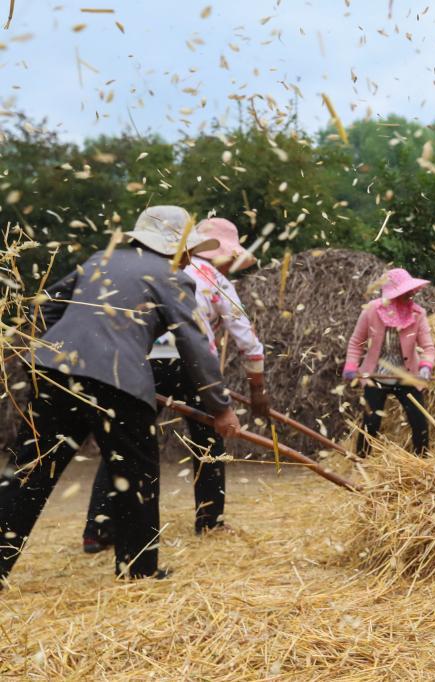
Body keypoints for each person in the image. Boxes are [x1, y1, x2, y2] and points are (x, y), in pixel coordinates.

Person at [0, 206, 241, 585]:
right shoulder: (172, 277)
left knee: (29, 472)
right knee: (135, 474)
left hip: (53, 371)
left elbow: (46, 305)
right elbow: (194, 345)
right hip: (119, 384)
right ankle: (138, 571)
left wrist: (54, 346)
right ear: (175, 247)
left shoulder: (101, 259)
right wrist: (220, 408)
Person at [82, 217, 268, 551]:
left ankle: (98, 529)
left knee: (124, 442)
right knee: (208, 441)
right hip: (190, 365)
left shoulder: (148, 269)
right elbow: (247, 338)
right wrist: (257, 388)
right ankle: (209, 521)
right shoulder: (215, 279)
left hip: (138, 362)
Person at [342, 268, 435, 456]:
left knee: (419, 421)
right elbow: (356, 342)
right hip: (375, 375)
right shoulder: (371, 311)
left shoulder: (418, 314)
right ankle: (361, 462)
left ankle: (422, 463)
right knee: (371, 422)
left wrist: (426, 366)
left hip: (407, 376)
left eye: (411, 291)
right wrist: (351, 366)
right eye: (405, 292)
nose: (410, 295)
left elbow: (428, 347)